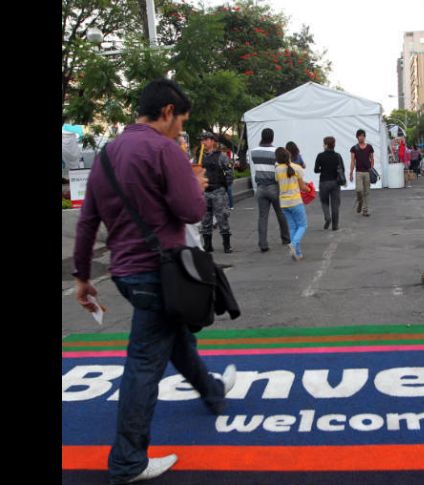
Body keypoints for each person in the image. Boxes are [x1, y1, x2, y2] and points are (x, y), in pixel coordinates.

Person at [72, 79, 237, 484]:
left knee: (177, 338)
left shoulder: (108, 153)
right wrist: (196, 186)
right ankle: (128, 460)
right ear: (166, 112)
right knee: (144, 364)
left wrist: (82, 276)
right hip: (161, 273)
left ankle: (212, 391)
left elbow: (88, 220)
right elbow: (190, 209)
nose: (182, 131)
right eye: (181, 121)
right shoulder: (164, 150)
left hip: (127, 273)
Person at [251, 128, 291, 252]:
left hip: (261, 187)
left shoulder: (253, 152)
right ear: (272, 138)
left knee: (262, 216)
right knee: (281, 214)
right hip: (274, 186)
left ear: (262, 136)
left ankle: (263, 244)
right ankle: (286, 238)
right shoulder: (276, 152)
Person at [199, 132, 233, 253]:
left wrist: (225, 186)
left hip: (218, 191)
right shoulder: (199, 157)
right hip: (205, 192)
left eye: (206, 139)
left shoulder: (221, 156)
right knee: (205, 220)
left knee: (222, 218)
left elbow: (229, 171)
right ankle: (207, 245)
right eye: (202, 140)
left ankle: (226, 244)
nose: (204, 142)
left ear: (213, 141)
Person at [275, 147, 310, 260]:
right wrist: (309, 189)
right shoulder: (297, 168)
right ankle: (293, 244)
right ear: (289, 156)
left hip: (284, 203)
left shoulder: (277, 169)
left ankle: (298, 253)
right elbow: (302, 187)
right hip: (295, 201)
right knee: (303, 225)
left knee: (292, 227)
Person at [314, 136, 344, 230]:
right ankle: (335, 226)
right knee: (335, 204)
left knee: (324, 202)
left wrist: (322, 169)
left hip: (323, 182)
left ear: (326, 145)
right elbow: (342, 169)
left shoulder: (320, 156)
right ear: (334, 145)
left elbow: (316, 170)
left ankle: (327, 217)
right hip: (335, 182)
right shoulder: (337, 156)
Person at [349, 129, 374, 217]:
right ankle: (360, 203)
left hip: (367, 172)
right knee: (359, 190)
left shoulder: (369, 147)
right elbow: (352, 161)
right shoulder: (354, 148)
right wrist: (351, 173)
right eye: (359, 136)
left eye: (363, 136)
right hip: (358, 172)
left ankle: (365, 210)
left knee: (367, 192)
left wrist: (371, 168)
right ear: (357, 137)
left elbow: (372, 159)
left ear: (364, 137)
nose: (361, 137)